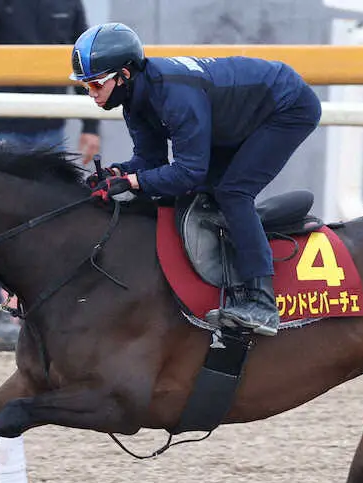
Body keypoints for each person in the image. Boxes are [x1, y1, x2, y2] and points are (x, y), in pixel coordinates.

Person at [73, 22, 322, 337]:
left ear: (124, 75)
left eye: (96, 85)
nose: (92, 94)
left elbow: (188, 172)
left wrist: (133, 182)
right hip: (236, 115)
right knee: (205, 194)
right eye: (86, 87)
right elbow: (150, 162)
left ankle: (262, 303)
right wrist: (118, 173)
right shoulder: (134, 99)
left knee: (232, 193)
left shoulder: (174, 96)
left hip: (286, 106)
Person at [0, 0, 102, 333]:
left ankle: (47, 312)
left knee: (55, 223)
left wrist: (90, 127)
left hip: (51, 129)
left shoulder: (69, 4)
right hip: (0, 131)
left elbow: (84, 63)